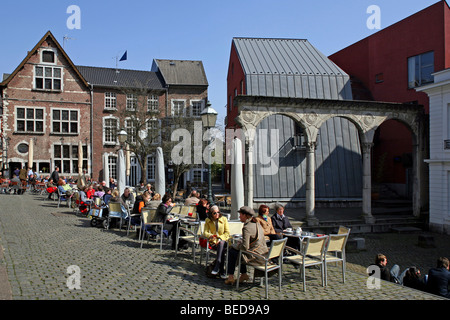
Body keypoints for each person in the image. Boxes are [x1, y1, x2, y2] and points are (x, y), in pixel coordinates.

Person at [225, 206, 268, 285]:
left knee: (232, 251)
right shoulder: (256, 224)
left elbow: (245, 247)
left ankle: (231, 276)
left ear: (245, 215)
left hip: (256, 257)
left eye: (240, 214)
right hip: (264, 253)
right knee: (237, 252)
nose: (239, 216)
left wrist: (235, 246)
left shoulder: (247, 227)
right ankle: (243, 274)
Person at [203, 205, 230, 278]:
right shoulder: (208, 220)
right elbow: (205, 232)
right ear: (211, 213)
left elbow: (227, 233)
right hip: (214, 242)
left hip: (224, 241)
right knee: (222, 249)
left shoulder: (224, 219)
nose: (217, 214)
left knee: (221, 243)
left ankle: (217, 265)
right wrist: (210, 235)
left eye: (218, 212)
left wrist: (220, 238)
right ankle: (222, 271)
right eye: (215, 213)